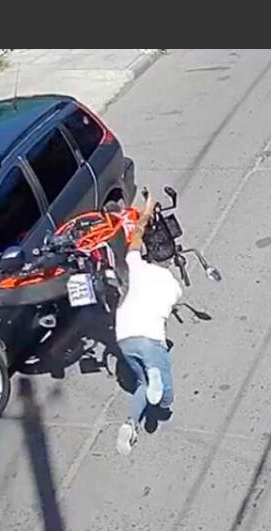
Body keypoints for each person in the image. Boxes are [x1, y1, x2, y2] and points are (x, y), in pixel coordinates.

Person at [115, 189, 183, 455]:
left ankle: (130, 424)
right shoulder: (173, 286)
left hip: (124, 336)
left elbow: (135, 238)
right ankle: (156, 383)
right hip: (150, 339)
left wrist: (146, 210)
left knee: (143, 384)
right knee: (165, 399)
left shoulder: (134, 264)